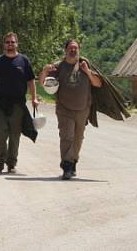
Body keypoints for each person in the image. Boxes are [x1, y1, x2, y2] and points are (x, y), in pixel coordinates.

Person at [39, 39, 102, 180]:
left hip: (83, 110)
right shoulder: (58, 66)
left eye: (76, 48)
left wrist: (88, 72)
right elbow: (43, 82)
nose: (73, 50)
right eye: (70, 48)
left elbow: (98, 84)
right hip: (64, 109)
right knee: (67, 137)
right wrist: (44, 71)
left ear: (79, 50)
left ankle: (73, 161)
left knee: (78, 139)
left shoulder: (85, 65)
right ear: (66, 50)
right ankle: (67, 166)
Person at [0, 32, 39, 174]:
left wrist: (34, 98)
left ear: (17, 44)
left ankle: (11, 164)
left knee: (15, 136)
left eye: (12, 42)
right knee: (0, 133)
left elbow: (31, 81)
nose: (10, 44)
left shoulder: (24, 61)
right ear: (4, 45)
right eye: (7, 42)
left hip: (18, 105)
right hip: (0, 104)